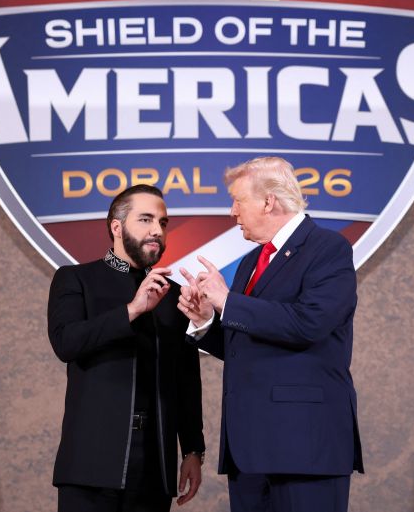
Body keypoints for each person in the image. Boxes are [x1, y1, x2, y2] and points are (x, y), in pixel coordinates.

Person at [177, 157, 363, 512]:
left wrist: (228, 302)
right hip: (249, 451)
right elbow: (245, 343)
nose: (232, 211)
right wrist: (205, 321)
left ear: (268, 201)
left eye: (237, 200)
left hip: (304, 447)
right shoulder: (251, 261)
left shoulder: (329, 249)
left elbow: (310, 323)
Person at [47, 184, 205, 512]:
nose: (156, 231)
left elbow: (186, 378)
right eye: (145, 220)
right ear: (117, 228)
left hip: (154, 463)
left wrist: (192, 449)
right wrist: (132, 310)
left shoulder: (174, 295)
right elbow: (67, 343)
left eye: (162, 223)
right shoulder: (75, 279)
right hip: (90, 465)